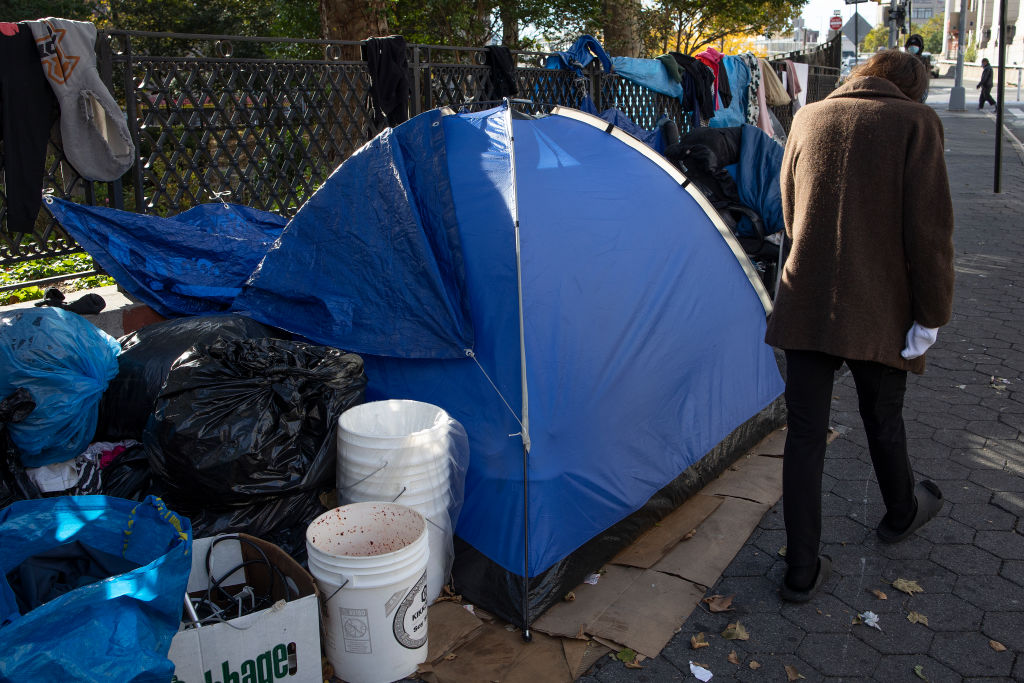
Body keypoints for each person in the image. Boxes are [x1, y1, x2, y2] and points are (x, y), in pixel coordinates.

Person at [765, 49, 955, 602]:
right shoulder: (916, 121)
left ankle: (801, 570)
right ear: (912, 87)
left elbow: (789, 211)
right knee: (883, 417)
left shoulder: (808, 116)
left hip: (806, 299)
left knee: (804, 435)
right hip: (879, 306)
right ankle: (900, 513)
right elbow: (930, 234)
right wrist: (931, 316)